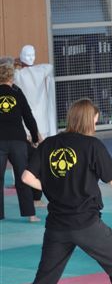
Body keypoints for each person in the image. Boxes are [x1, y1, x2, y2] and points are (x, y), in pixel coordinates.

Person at [15, 99, 112, 284]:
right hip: (87, 225)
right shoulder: (92, 145)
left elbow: (26, 177)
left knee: (45, 279)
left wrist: (49, 187)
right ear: (89, 119)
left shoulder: (48, 144)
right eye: (95, 119)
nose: (96, 122)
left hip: (57, 227)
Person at [13, 45, 56, 207]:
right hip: (41, 126)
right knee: (40, 163)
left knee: (23, 164)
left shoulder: (17, 75)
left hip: (24, 127)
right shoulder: (42, 71)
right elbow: (49, 66)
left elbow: (5, 69)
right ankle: (37, 197)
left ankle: (29, 199)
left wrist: (16, 62)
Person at [0, 57, 41, 222]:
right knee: (22, 177)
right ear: (12, 76)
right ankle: (30, 214)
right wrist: (35, 136)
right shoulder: (17, 91)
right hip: (18, 141)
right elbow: (28, 116)